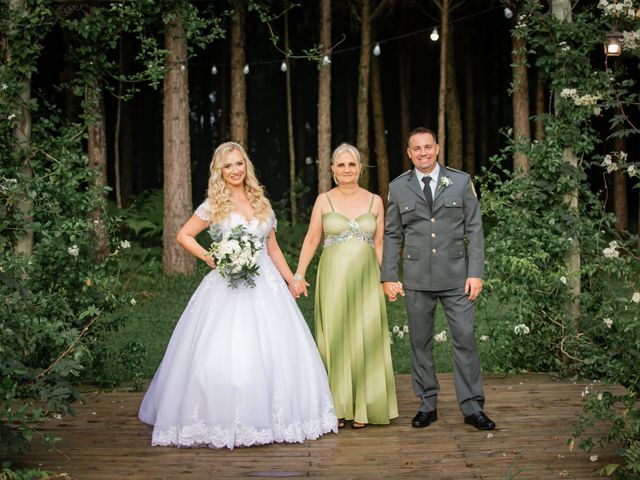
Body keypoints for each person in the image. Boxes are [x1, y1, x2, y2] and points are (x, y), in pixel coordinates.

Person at [138, 142, 338, 449]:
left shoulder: (261, 203)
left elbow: (272, 249)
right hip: (226, 285)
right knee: (223, 353)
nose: (235, 170)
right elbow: (183, 235)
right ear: (220, 170)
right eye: (228, 166)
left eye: (239, 164)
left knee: (276, 352)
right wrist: (211, 258)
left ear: (247, 166)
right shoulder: (213, 205)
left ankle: (276, 418)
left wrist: (293, 279)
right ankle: (221, 417)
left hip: (265, 283)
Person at [381, 127, 496, 431]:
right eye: (416, 149)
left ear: (437, 148)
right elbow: (392, 233)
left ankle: (472, 407)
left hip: (457, 277)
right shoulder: (399, 188)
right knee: (420, 342)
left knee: (465, 338)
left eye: (427, 147)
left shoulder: (460, 182)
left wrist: (476, 272)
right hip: (417, 278)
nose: (423, 153)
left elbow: (474, 229)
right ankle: (427, 403)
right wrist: (389, 275)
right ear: (409, 153)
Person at [293, 143, 398, 429]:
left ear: (360, 168)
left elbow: (380, 245)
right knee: (337, 337)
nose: (347, 170)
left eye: (352, 164)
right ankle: (337, 407)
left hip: (366, 280)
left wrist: (389, 277)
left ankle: (364, 406)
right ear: (332, 169)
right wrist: (299, 275)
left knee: (365, 336)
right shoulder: (324, 200)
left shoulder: (375, 201)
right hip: (334, 279)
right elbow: (312, 239)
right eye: (341, 165)